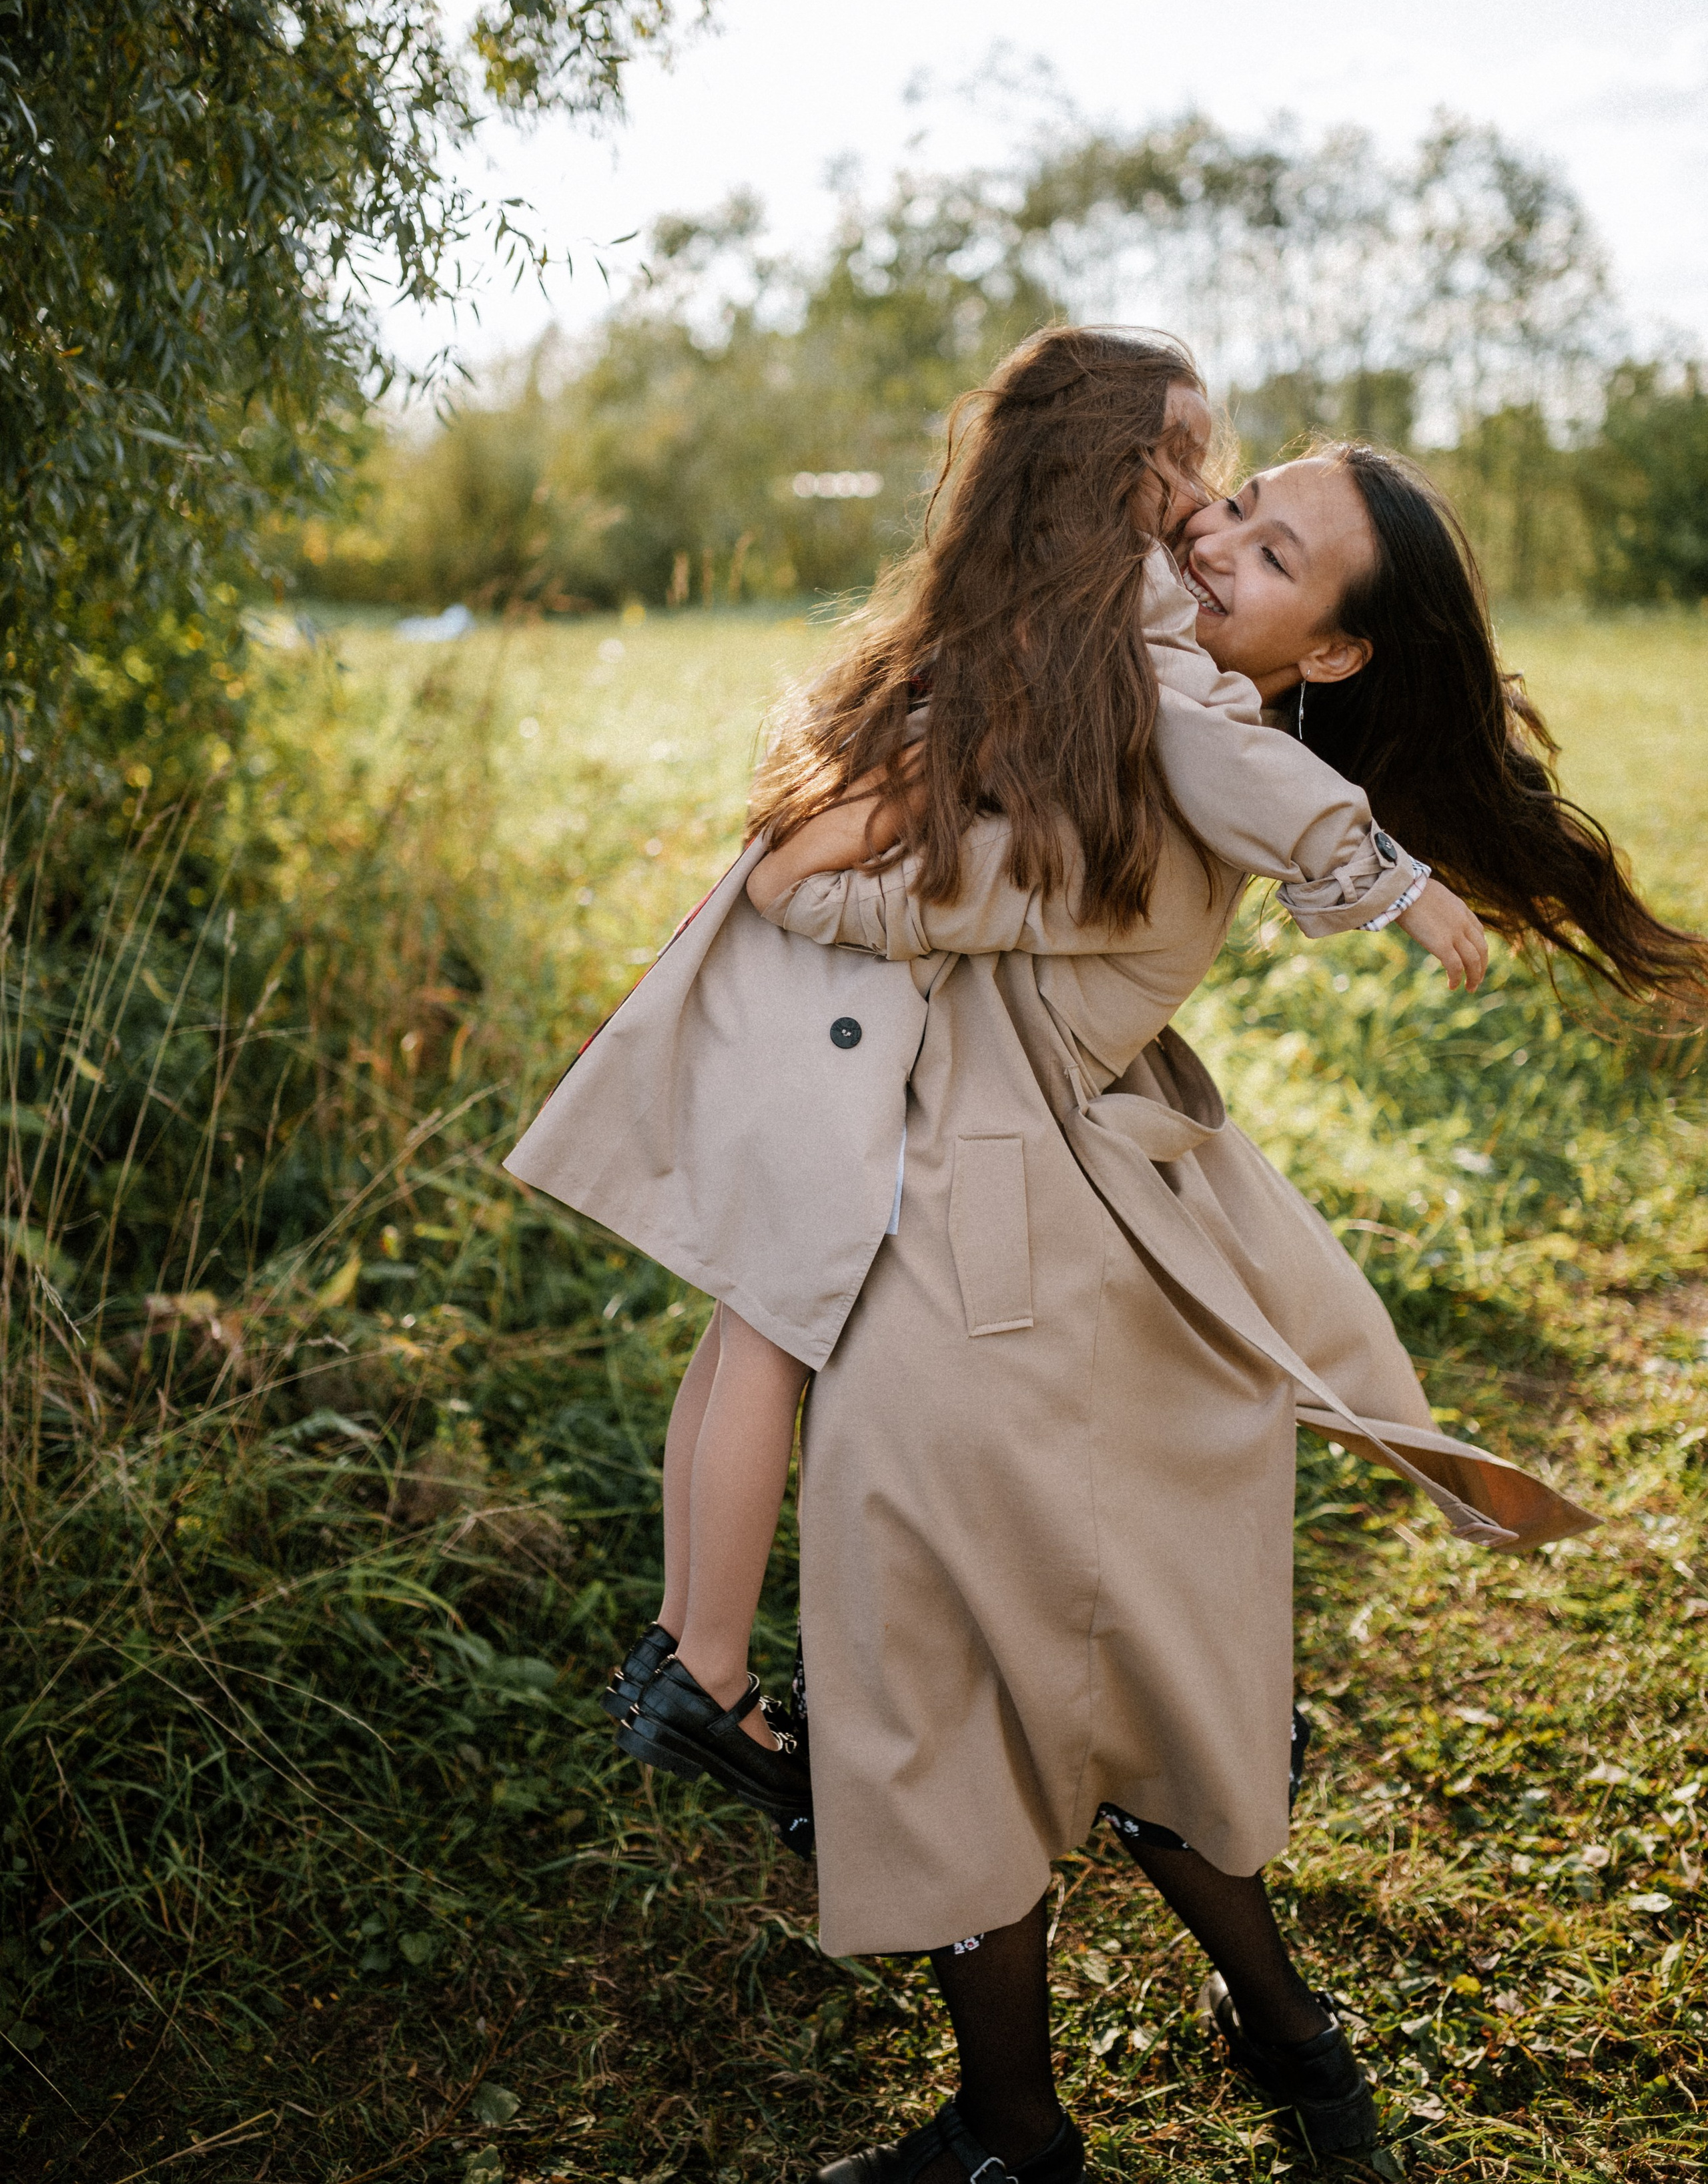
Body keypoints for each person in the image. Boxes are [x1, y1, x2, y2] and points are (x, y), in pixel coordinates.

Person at [733, 438, 1706, 2184]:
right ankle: (1264, 2043)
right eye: (1234, 502)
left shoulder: (1196, 752)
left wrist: (793, 865)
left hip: (1001, 1266)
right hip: (996, 1225)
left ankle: (1035, 2128)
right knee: (1069, 1696)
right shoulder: (1151, 693)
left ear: (1327, 653)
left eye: (1268, 557)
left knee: (974, 1689)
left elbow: (892, 885)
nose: (1210, 546)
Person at [508, 328, 1483, 1832]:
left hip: (837, 1023)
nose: (1211, 511)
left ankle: (698, 1652)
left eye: (1252, 516)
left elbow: (1184, 778)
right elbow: (846, 865)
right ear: (1129, 477)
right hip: (852, 1034)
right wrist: (1378, 873)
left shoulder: (1050, 607)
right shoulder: (1131, 635)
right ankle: (709, 1666)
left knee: (753, 1326)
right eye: (1205, 475)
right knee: (777, 1329)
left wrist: (826, 874)